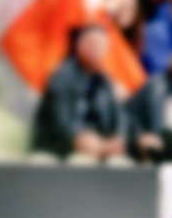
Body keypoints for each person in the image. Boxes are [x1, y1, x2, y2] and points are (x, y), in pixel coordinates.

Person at [32, 23, 128, 160]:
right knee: (81, 161)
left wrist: (117, 138)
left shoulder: (104, 80)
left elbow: (118, 116)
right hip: (61, 148)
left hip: (99, 147)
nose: (97, 48)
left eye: (102, 44)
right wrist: (79, 137)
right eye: (92, 43)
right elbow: (62, 120)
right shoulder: (62, 75)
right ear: (79, 44)